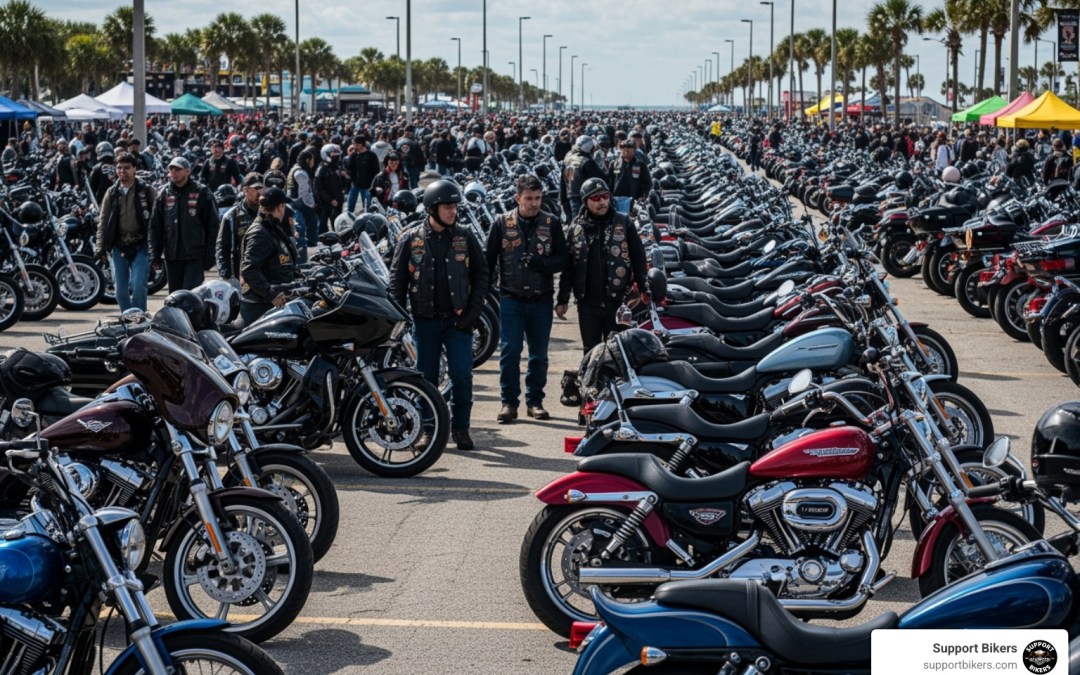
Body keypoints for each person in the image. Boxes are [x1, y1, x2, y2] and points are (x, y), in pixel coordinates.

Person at [390, 179, 489, 450]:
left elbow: (482, 275)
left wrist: (473, 313)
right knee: (425, 379)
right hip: (425, 322)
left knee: (462, 375)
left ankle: (461, 428)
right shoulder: (410, 238)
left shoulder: (465, 236)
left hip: (459, 321)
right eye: (447, 207)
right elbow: (397, 283)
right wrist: (399, 321)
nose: (453, 211)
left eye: (455, 207)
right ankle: (428, 429)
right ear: (432, 208)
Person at [485, 174, 568, 424]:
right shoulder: (501, 223)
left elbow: (563, 260)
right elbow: (488, 262)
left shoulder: (551, 223)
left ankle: (535, 401)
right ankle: (509, 402)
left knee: (539, 354)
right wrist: (482, 296)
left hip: (541, 298)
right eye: (529, 198)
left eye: (538, 198)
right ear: (517, 198)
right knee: (510, 351)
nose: (534, 203)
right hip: (511, 297)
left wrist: (541, 264)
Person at [557, 177, 648, 353]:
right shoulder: (576, 228)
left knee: (619, 350)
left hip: (618, 300)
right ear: (585, 201)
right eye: (596, 198)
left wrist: (644, 288)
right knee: (591, 352)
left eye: (605, 196)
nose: (603, 202)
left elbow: (638, 258)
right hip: (587, 303)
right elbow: (569, 267)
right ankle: (592, 382)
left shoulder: (624, 222)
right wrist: (562, 298)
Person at [95, 152, 155, 311]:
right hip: (118, 246)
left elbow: (156, 221)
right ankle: (129, 320)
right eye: (119, 167)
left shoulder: (146, 191)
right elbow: (103, 221)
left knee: (138, 285)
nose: (122, 171)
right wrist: (100, 247)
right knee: (120, 291)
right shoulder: (112, 192)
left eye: (127, 168)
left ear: (134, 169)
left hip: (140, 245)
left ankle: (140, 322)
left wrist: (156, 245)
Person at [149, 156, 219, 292]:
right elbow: (155, 227)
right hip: (172, 255)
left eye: (178, 169)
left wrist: (210, 255)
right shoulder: (163, 194)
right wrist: (155, 255)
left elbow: (213, 225)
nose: (173, 173)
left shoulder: (202, 192)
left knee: (191, 294)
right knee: (175, 296)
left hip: (195, 254)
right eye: (171, 169)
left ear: (187, 171)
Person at [238, 187, 299, 326]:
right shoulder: (260, 232)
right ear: (280, 206)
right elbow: (248, 269)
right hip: (259, 306)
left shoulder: (271, 226)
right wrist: (272, 294)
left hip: (270, 303)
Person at [217, 172, 263, 282]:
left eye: (262, 188)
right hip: (241, 274)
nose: (260, 192)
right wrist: (225, 273)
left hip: (267, 273)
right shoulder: (231, 216)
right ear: (245, 190)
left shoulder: (270, 212)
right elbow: (222, 246)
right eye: (256, 188)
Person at [561, 135, 605, 220]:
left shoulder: (567, 159)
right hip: (587, 198)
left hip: (570, 196)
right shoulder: (587, 162)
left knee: (575, 223)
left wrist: (563, 199)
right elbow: (599, 180)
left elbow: (562, 182)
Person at [287, 148, 317, 261]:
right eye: (312, 160)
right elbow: (304, 193)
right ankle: (303, 259)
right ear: (307, 160)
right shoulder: (301, 173)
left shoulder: (294, 168)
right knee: (301, 230)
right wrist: (311, 204)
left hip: (293, 202)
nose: (313, 163)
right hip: (299, 204)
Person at [609, 139, 652, 215]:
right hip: (616, 200)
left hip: (633, 200)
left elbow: (647, 183)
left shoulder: (640, 164)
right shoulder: (614, 163)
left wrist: (643, 196)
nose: (625, 149)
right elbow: (609, 181)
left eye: (629, 147)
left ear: (634, 149)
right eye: (622, 147)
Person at [314, 143, 345, 234]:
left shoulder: (336, 167)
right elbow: (318, 189)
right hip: (326, 203)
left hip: (338, 201)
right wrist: (330, 200)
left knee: (338, 226)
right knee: (323, 228)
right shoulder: (321, 170)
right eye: (334, 154)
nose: (337, 156)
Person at [345, 136, 379, 213]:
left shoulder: (371, 155)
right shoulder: (354, 155)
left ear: (360, 145)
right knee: (349, 207)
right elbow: (349, 169)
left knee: (367, 208)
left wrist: (373, 186)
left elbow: (376, 171)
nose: (354, 146)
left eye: (355, 144)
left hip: (367, 187)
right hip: (355, 186)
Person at [89, 141, 116, 206]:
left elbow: (92, 188)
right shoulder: (118, 167)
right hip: (114, 199)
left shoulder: (96, 168)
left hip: (102, 200)